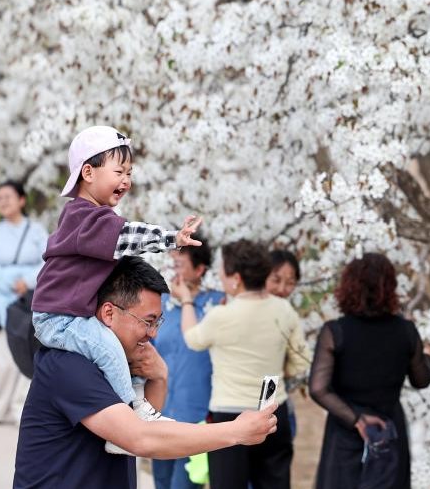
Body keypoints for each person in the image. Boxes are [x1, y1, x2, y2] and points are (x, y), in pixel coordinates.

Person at [14, 256, 279, 489]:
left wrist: (159, 377)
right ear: (109, 313)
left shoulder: (118, 361)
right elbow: (140, 438)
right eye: (148, 321)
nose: (153, 334)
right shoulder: (68, 365)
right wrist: (235, 431)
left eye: (157, 322)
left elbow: (144, 421)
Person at [31, 125, 203, 454]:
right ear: (88, 173)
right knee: (109, 348)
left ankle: (135, 404)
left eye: (130, 173)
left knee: (125, 350)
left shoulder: (93, 218)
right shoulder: (84, 218)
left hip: (73, 315)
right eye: (119, 171)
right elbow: (126, 237)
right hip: (58, 319)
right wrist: (172, 238)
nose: (126, 180)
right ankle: (130, 416)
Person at [174, 240, 310, 489]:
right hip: (271, 409)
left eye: (223, 271)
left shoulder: (221, 316)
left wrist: (186, 300)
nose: (220, 276)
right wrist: (277, 371)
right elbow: (301, 362)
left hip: (229, 416)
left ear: (236, 278)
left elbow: (192, 339)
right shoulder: (283, 309)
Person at [310, 252, 430, 489]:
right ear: (390, 288)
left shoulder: (335, 332)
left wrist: (356, 419)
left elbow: (318, 388)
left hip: (346, 430)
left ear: (348, 287)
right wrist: (426, 356)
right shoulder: (406, 331)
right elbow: (421, 379)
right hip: (389, 430)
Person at [152, 236, 224, 489]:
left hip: (197, 418)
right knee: (161, 484)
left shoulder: (217, 305)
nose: (173, 270)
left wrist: (186, 300)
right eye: (171, 263)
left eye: (179, 264)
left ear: (200, 269)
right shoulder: (159, 303)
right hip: (160, 415)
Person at [0, 180, 48, 426]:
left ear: (21, 200)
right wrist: (7, 279)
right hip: (1, 301)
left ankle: (21, 409)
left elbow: (47, 262)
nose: (3, 202)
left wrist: (27, 280)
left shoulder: (37, 231)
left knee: (27, 357)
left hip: (28, 302)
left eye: (8, 196)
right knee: (0, 361)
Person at [266, 249, 302, 438]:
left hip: (275, 412)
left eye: (290, 282)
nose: (282, 289)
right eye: (276, 279)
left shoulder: (288, 317)